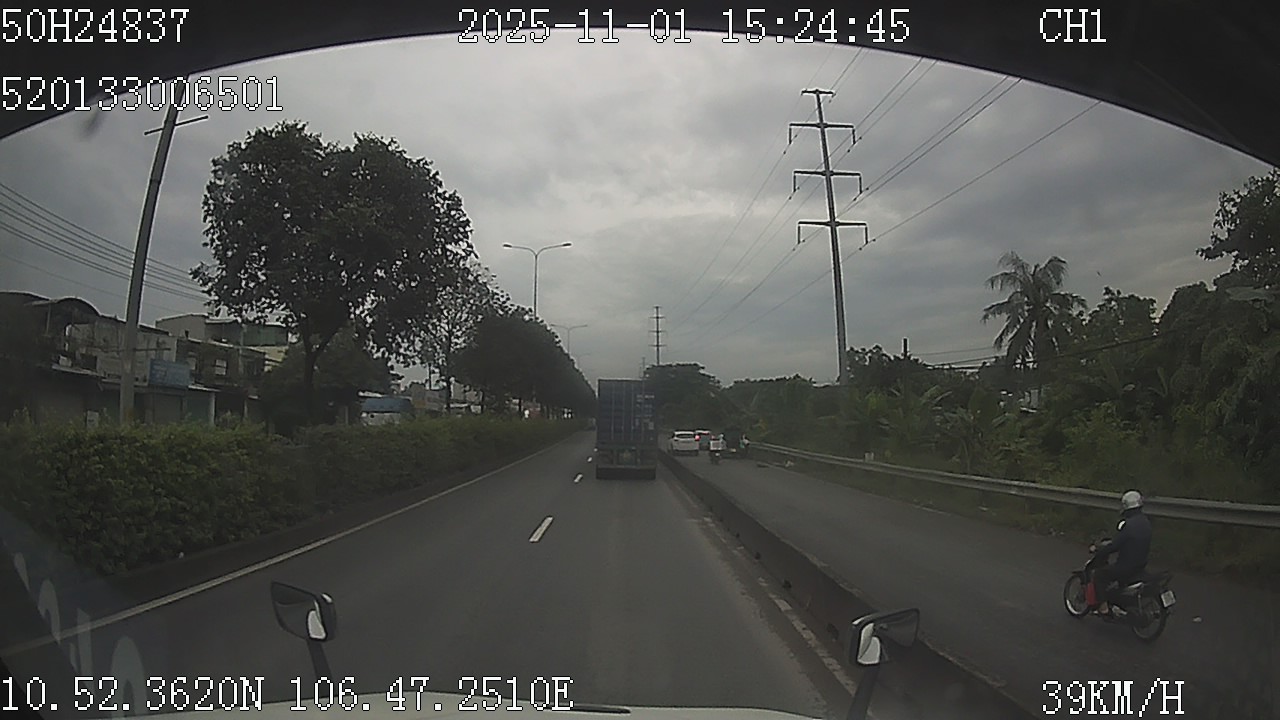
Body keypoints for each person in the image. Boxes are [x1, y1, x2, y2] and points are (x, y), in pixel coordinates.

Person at [1088, 490, 1153, 615]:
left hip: (1125, 567)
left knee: (1100, 575)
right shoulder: (1145, 522)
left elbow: (1115, 545)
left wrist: (1099, 549)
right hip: (1140, 565)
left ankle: (1103, 608)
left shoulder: (1128, 525)